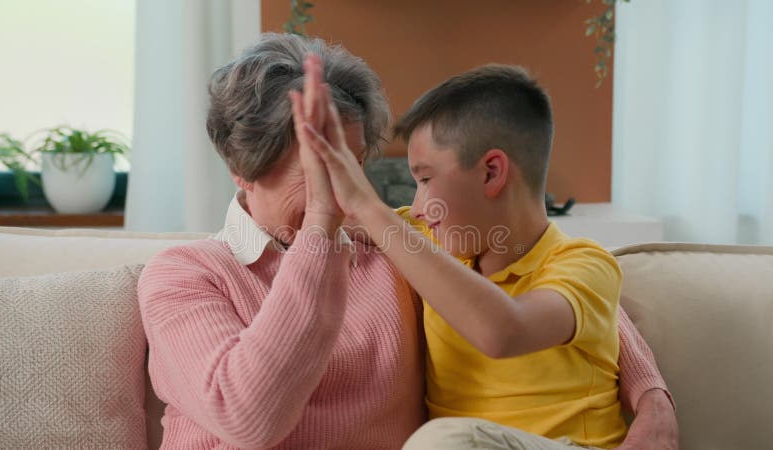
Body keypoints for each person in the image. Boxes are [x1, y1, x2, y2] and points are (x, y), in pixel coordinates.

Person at [138, 32, 675, 449]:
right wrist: (323, 223)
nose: (344, 187)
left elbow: (563, 289)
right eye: (319, 165)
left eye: (351, 164)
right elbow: (249, 417)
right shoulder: (185, 275)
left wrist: (652, 396)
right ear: (242, 170)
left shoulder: (389, 247)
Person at [300, 59, 677, 449]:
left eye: (426, 179)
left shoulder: (582, 264)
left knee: (439, 442)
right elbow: (302, 221)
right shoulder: (425, 238)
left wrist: (367, 203)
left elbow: (503, 331)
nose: (415, 207)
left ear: (491, 172)